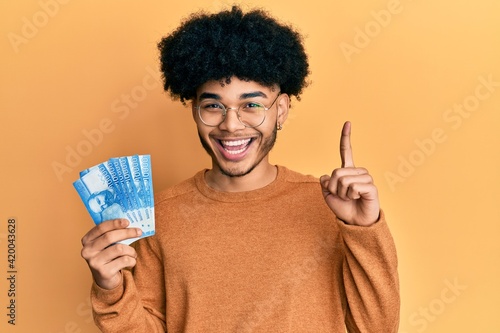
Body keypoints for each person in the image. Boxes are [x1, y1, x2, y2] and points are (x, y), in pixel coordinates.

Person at [80, 5, 399, 332]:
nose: (231, 125)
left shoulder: (331, 208)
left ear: (282, 110)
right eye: (214, 105)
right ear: (194, 110)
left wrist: (365, 231)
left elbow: (376, 328)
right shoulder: (161, 216)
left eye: (252, 105)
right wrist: (110, 288)